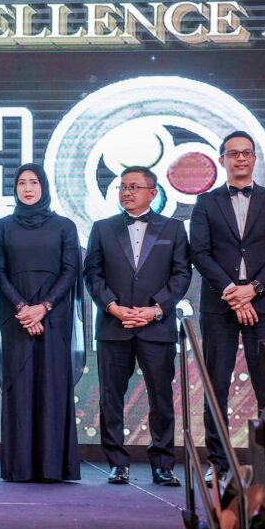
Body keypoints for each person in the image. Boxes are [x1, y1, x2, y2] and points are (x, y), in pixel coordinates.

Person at [190, 131, 265, 483]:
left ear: (254, 158)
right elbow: (200, 253)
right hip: (219, 304)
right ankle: (218, 463)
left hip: (264, 303)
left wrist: (254, 289)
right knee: (215, 384)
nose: (240, 159)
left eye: (246, 153)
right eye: (233, 153)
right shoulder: (206, 203)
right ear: (222, 160)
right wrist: (232, 292)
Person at [83, 166, 191, 487]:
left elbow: (182, 274)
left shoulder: (174, 229)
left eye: (134, 187)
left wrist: (155, 309)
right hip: (113, 326)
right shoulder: (103, 228)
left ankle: (163, 464)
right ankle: (117, 463)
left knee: (161, 398)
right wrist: (113, 307)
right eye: (122, 187)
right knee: (111, 398)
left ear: (152, 193)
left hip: (156, 326)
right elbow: (92, 274)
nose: (126, 192)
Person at [0, 163, 81, 483]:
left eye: (34, 182)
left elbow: (70, 270)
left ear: (44, 187)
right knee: (20, 388)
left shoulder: (65, 226)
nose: (28, 188)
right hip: (17, 318)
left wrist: (44, 307)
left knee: (51, 387)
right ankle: (20, 467)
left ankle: (53, 467)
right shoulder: (3, 227)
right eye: (22, 183)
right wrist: (23, 309)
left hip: (54, 317)